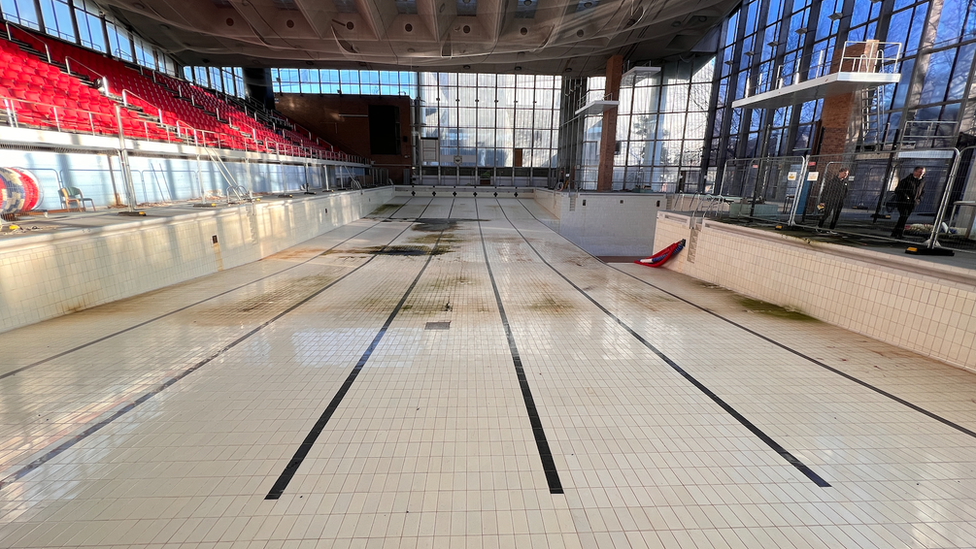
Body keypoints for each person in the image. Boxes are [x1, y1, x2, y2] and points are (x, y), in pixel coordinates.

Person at [890, 166, 925, 238]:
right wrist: (906, 197)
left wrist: (919, 199)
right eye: (919, 172)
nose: (921, 174)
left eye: (922, 173)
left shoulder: (922, 181)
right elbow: (898, 190)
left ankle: (895, 232)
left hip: (913, 203)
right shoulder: (906, 180)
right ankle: (899, 233)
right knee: (904, 216)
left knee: (904, 217)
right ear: (914, 172)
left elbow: (922, 191)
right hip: (903, 202)